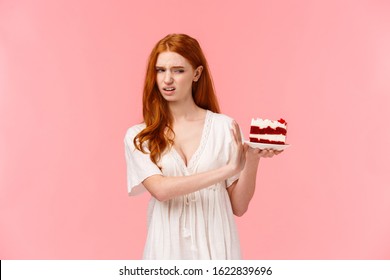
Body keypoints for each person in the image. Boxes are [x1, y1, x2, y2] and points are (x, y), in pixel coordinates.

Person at [124, 33, 282, 259]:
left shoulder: (224, 127)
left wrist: (252, 158)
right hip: (166, 252)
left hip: (217, 248)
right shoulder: (139, 136)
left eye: (178, 70)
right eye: (160, 70)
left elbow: (239, 206)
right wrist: (228, 170)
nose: (167, 79)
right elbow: (161, 190)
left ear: (196, 73)